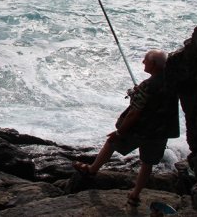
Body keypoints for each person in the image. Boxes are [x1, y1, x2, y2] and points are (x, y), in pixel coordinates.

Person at [72, 49, 180, 208]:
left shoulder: (147, 86)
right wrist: (136, 94)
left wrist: (119, 132)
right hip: (160, 132)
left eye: (146, 60)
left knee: (111, 142)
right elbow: (156, 101)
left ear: (154, 64)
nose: (143, 62)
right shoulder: (172, 82)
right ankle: (135, 195)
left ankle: (92, 169)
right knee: (147, 163)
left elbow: (134, 114)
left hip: (141, 130)